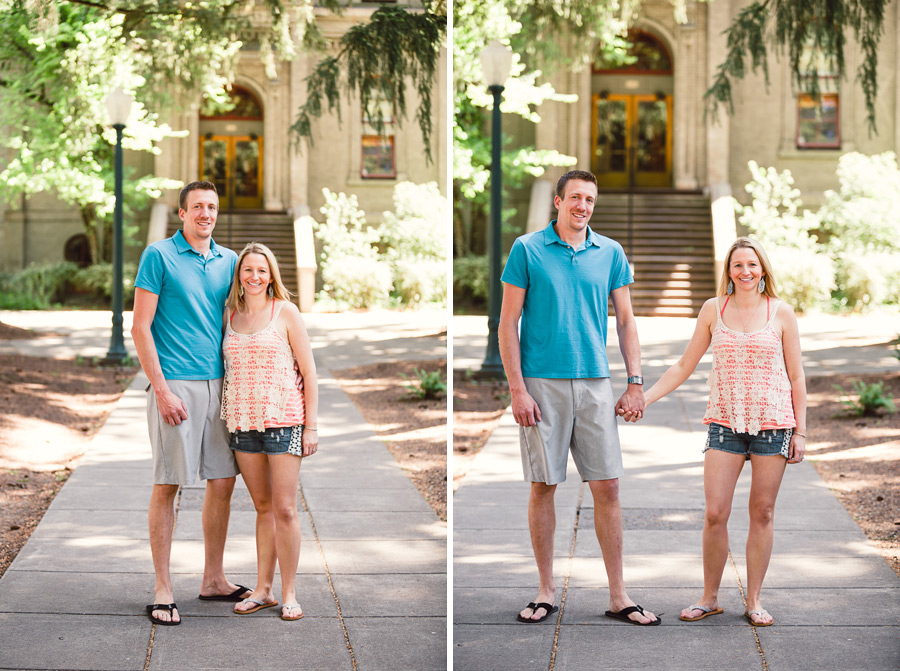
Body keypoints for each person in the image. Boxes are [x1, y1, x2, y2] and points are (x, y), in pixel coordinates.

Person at [499, 169, 660, 626]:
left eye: (589, 200)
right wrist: (517, 389)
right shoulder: (527, 249)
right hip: (541, 384)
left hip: (594, 382)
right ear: (558, 201)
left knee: (607, 485)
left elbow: (626, 320)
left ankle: (618, 595)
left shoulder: (610, 252)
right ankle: (546, 590)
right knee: (543, 485)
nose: (582, 206)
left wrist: (635, 381)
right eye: (575, 198)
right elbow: (508, 322)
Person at [635, 237, 807, 627]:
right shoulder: (714, 309)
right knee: (715, 513)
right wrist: (645, 397)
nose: (745, 272)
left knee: (761, 512)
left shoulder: (781, 313)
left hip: (773, 424)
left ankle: (755, 600)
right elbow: (683, 365)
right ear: (728, 272)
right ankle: (709, 597)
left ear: (762, 269)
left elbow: (796, 376)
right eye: (737, 266)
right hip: (724, 423)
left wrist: (801, 432)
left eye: (751, 264)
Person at [132, 181, 250, 626]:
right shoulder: (158, 256)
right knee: (169, 483)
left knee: (223, 480)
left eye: (212, 207)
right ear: (182, 213)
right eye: (197, 206)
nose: (206, 213)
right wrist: (161, 390)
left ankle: (213, 579)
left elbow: (241, 318)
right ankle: (163, 588)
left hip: (221, 385)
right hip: (175, 385)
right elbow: (141, 328)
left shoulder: (231, 260)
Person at [222, 242, 319, 622]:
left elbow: (309, 373)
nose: (255, 277)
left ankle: (290, 592)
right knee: (262, 508)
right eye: (248, 270)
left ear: (271, 275)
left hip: (285, 422)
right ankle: (263, 590)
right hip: (242, 424)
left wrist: (311, 427)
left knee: (285, 509)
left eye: (262, 270)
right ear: (239, 276)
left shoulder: (286, 312)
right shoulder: (229, 314)